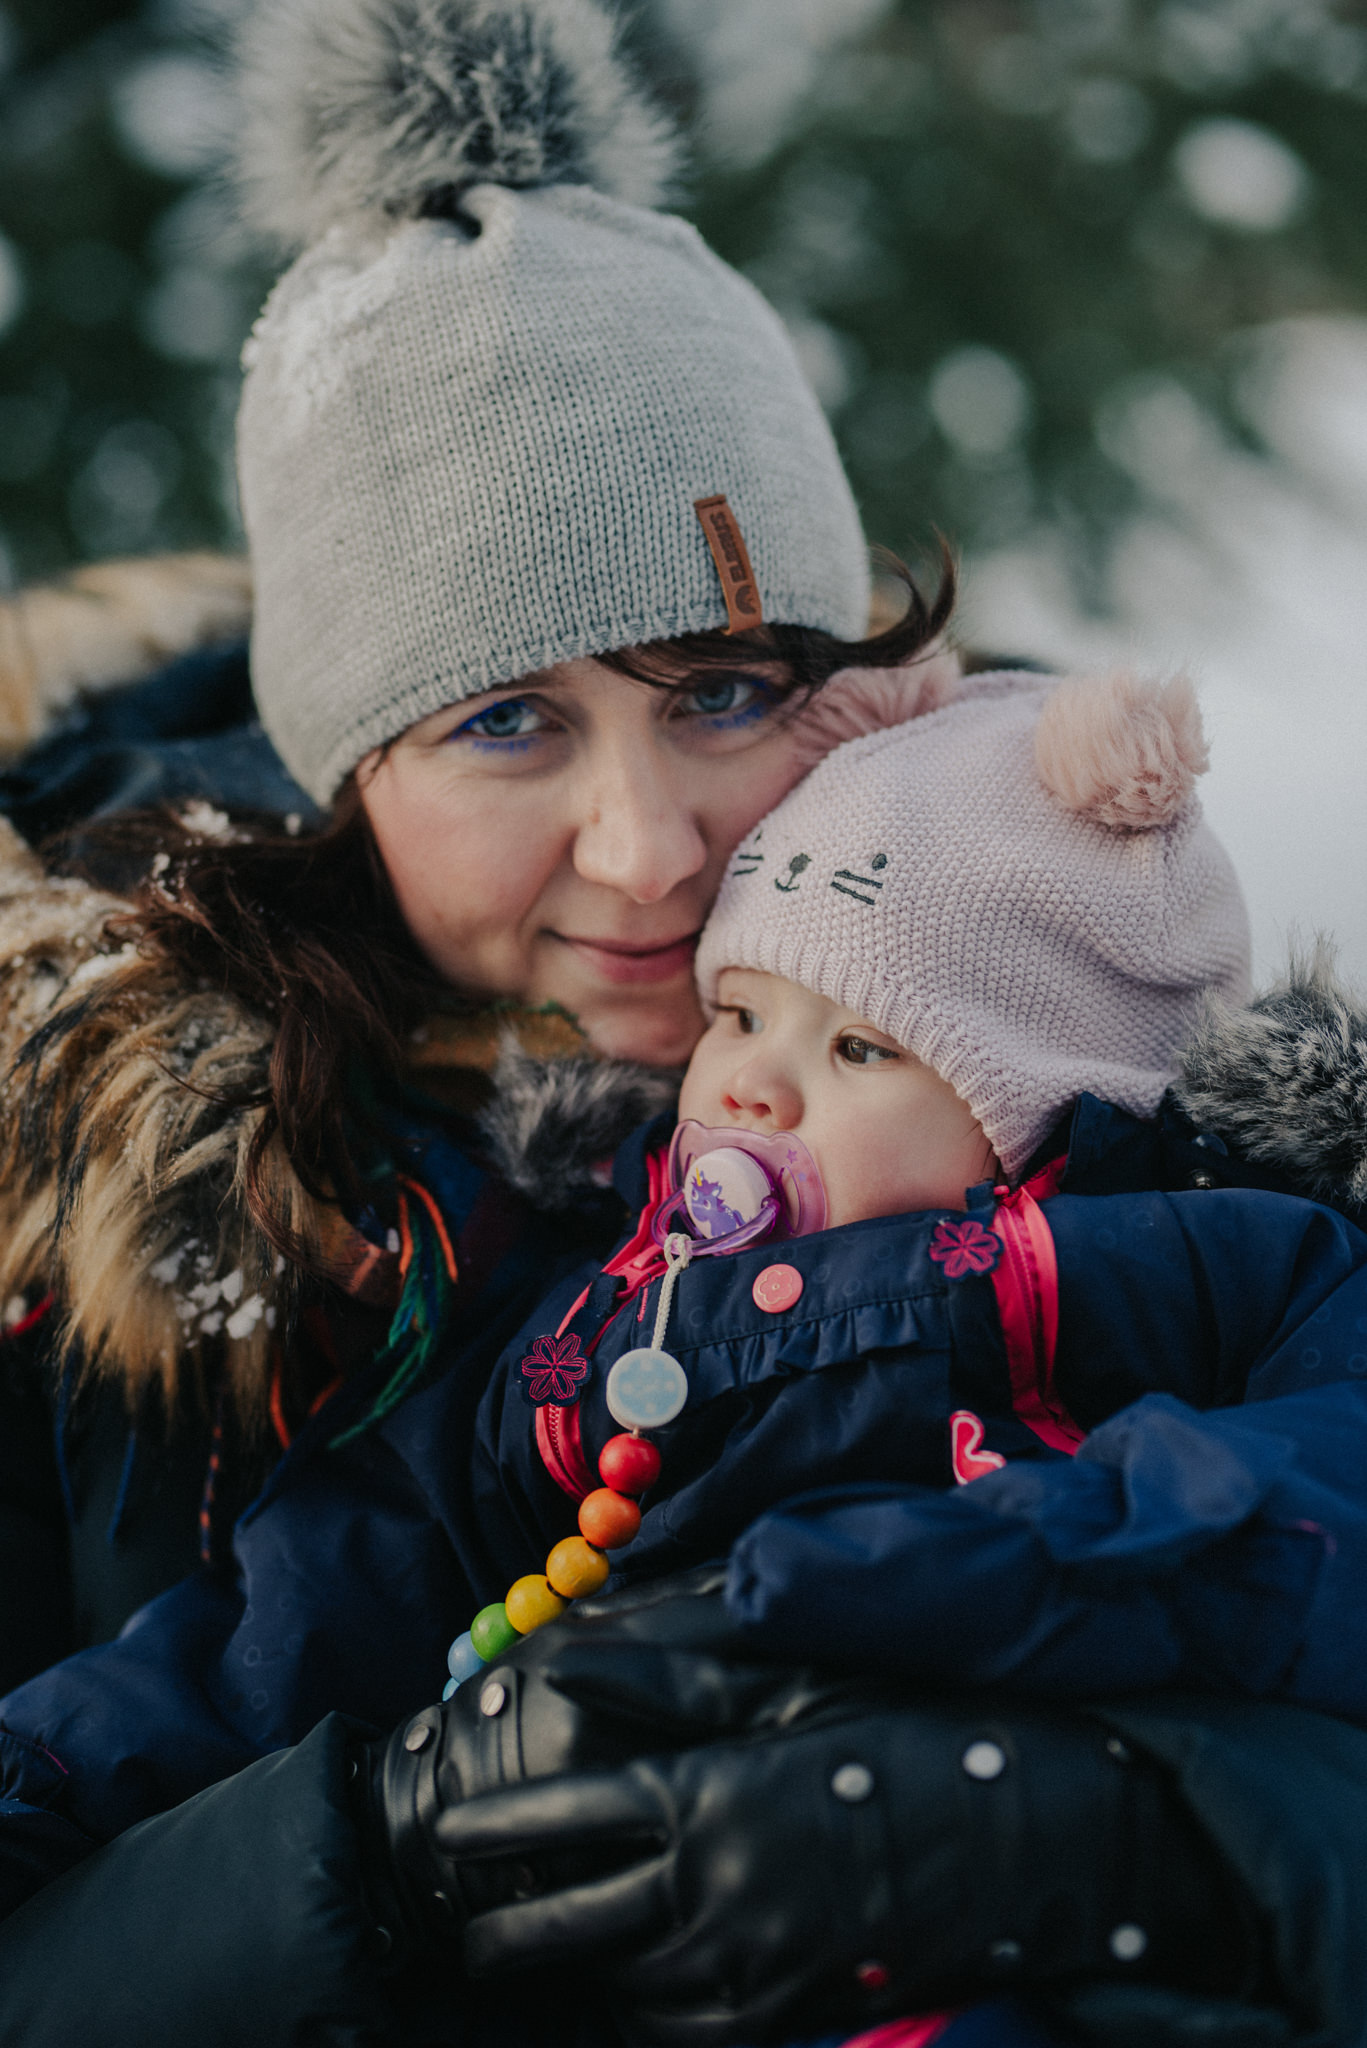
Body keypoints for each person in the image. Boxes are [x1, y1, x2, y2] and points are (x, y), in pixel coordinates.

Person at [2, 3, 1367, 2045]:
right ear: (340, 771)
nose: (646, 854)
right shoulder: (90, 1213)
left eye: (723, 689)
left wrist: (1155, 1830)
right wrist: (360, 1861)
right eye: (505, 722)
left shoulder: (1109, 1041)